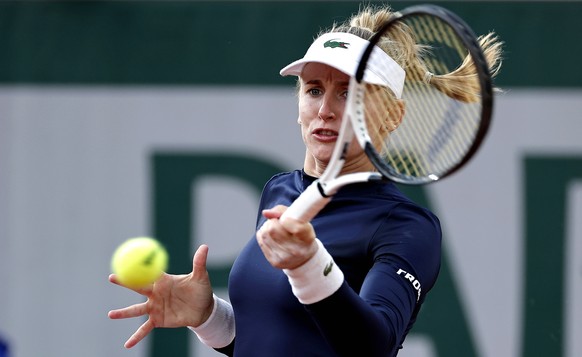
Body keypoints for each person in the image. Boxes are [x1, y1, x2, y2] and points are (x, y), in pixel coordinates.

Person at [109, 4, 502, 356]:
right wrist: (208, 317)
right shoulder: (279, 191)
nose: (325, 110)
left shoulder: (407, 227)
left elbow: (374, 347)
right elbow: (278, 338)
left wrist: (309, 266)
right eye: (314, 90)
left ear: (393, 115)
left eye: (348, 93)